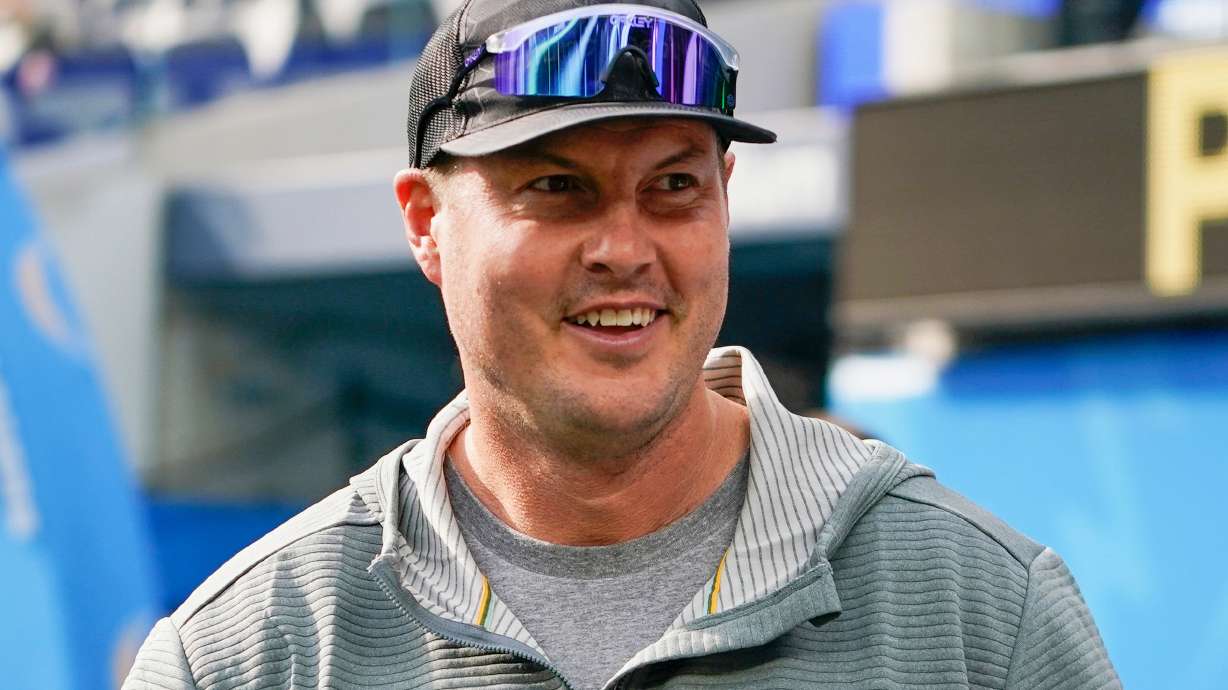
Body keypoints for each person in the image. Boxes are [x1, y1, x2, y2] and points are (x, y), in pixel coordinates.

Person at [124, 1, 1121, 688]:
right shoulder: (255, 650)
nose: (624, 250)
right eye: (556, 188)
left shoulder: (974, 613)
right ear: (425, 222)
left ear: (725, 196)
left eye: (673, 186)